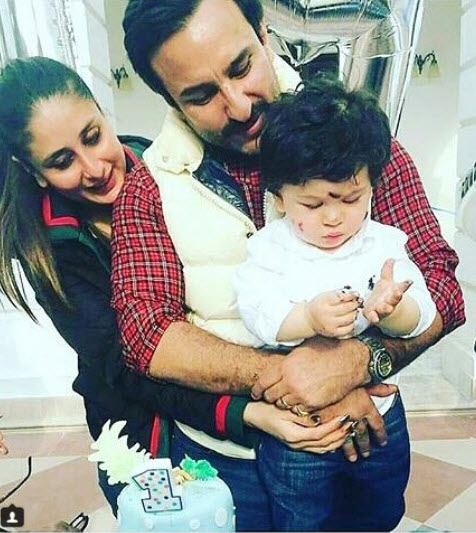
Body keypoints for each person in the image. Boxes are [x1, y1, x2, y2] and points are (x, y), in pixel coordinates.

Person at [116, 0, 464, 530]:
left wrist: (356, 363)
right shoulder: (149, 186)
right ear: (168, 98)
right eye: (201, 95)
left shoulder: (354, 141)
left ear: (263, 32)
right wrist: (288, 377)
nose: (239, 106)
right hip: (224, 459)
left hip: (361, 434)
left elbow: (441, 286)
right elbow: (146, 333)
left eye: (241, 67)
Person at [0, 56, 354, 518]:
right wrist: (249, 411)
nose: (94, 167)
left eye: (92, 136)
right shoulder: (51, 251)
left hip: (243, 405)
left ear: (103, 113)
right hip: (146, 438)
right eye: (62, 161)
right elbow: (129, 366)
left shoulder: (168, 169)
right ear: (34, 172)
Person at [233, 77, 437, 531]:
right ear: (279, 198)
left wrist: (394, 309)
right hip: (302, 430)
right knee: (300, 515)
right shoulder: (270, 248)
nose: (332, 217)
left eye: (350, 199)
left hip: (381, 413)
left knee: (381, 506)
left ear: (372, 188)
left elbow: (423, 314)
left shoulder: (383, 243)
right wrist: (306, 317)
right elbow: (256, 311)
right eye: (311, 204)